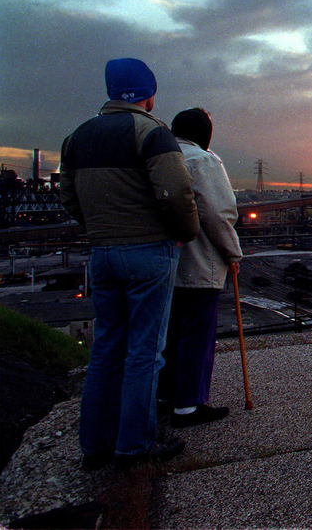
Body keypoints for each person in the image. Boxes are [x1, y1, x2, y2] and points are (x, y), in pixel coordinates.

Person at [60, 57, 199, 469]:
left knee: (105, 348)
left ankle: (95, 445)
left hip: (102, 252)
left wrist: (96, 228)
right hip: (148, 251)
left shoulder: (77, 137)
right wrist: (185, 232)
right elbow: (176, 192)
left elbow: (68, 195)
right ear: (148, 95)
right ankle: (134, 444)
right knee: (145, 351)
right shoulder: (152, 133)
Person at [159, 108, 242, 427]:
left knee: (168, 333)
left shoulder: (159, 158)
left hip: (164, 264)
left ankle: (165, 396)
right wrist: (233, 254)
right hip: (199, 263)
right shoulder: (204, 161)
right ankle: (188, 406)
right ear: (205, 134)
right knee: (196, 336)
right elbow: (218, 215)